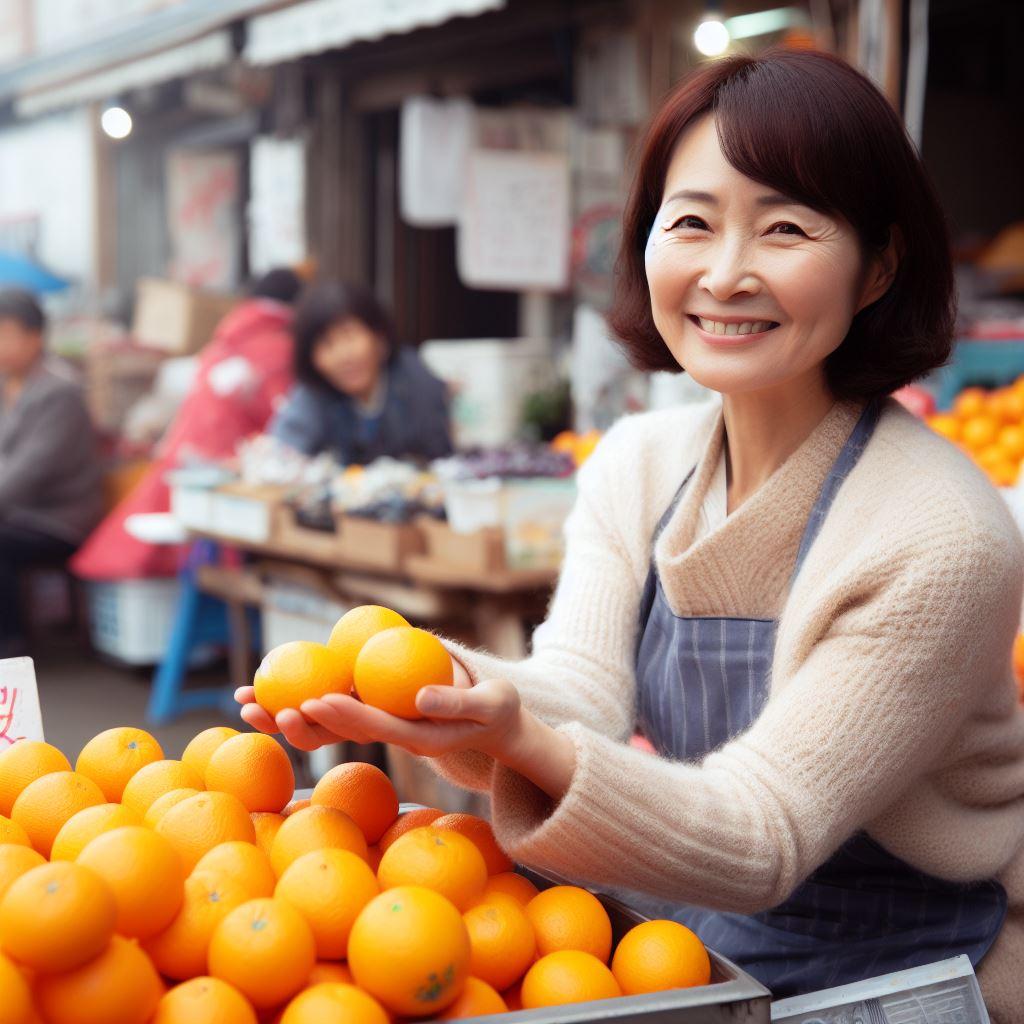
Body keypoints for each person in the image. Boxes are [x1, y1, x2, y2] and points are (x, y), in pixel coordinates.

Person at [236, 50, 1024, 1018]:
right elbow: (582, 693)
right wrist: (440, 684)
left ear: (879, 267)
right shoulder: (639, 461)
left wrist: (520, 735)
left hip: (915, 966)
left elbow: (762, 830)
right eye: (690, 221)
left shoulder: (939, 532)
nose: (725, 271)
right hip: (712, 934)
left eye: (784, 227)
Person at [72, 268, 302, 580]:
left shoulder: (224, 340)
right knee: (217, 559)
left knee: (173, 553)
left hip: (187, 460)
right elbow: (286, 421)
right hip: (231, 473)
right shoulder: (279, 348)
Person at [0, 289, 103, 654]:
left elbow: (29, 471)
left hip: (59, 518)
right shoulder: (8, 385)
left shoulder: (60, 392)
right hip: (18, 512)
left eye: (5, 333)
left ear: (35, 337)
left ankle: (10, 646)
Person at [270, 282, 453, 465]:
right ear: (311, 359)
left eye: (349, 336)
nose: (343, 356)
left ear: (378, 336)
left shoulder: (416, 380)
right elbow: (283, 452)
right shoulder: (314, 392)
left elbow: (442, 458)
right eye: (326, 344)